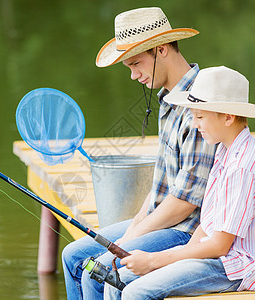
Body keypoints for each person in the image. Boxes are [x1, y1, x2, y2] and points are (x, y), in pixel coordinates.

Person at [61, 7, 217, 300]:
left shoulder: (198, 105)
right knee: (73, 256)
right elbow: (163, 183)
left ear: (161, 49)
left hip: (187, 231)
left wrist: (133, 236)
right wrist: (133, 227)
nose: (134, 76)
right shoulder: (168, 100)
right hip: (162, 219)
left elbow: (185, 202)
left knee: (98, 271)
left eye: (136, 64)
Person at [104, 66, 255, 299]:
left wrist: (153, 260)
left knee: (137, 291)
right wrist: (177, 257)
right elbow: (207, 224)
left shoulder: (242, 167)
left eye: (200, 116)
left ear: (228, 117)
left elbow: (219, 246)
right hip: (217, 256)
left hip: (237, 266)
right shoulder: (224, 150)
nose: (195, 123)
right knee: (114, 281)